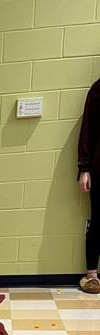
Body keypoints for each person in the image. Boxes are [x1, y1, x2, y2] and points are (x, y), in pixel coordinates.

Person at [78, 78, 100, 293]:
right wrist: (84, 168)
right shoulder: (98, 89)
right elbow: (88, 130)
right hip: (98, 168)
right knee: (98, 221)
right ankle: (92, 275)